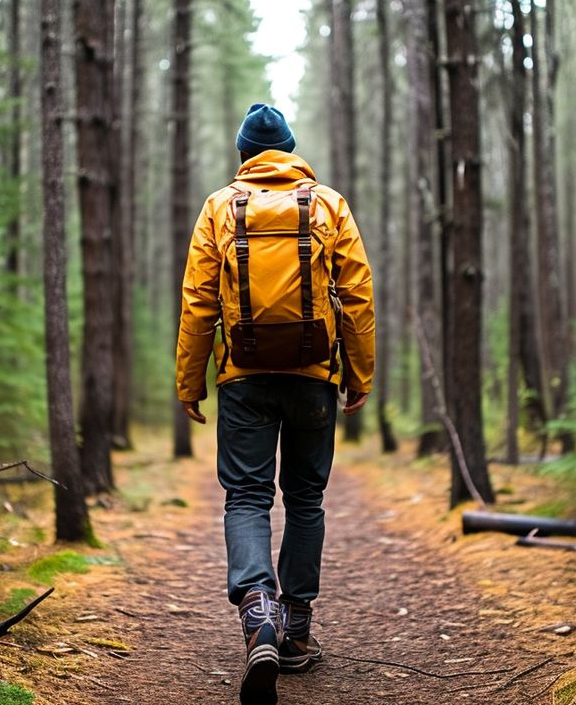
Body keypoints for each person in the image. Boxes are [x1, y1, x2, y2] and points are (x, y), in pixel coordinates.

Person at [175, 103, 375, 705]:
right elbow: (358, 296)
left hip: (243, 379)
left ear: (244, 156)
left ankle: (257, 608)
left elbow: (198, 303)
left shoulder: (219, 208)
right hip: (314, 376)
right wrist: (359, 374)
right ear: (290, 150)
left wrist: (190, 382)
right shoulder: (327, 203)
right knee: (306, 498)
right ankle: (295, 634)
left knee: (246, 497)